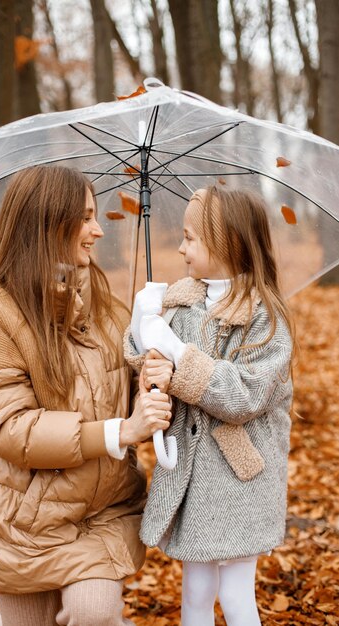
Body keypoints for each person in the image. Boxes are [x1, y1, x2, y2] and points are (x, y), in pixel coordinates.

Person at [0, 165, 172, 626]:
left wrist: (148, 375)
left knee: (94, 614)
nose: (98, 229)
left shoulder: (102, 301)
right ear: (48, 221)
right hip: (20, 522)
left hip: (98, 513)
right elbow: (12, 429)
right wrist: (121, 430)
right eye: (85, 217)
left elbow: (119, 389)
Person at [124, 185, 295, 626]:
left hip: (240, 481)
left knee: (236, 595)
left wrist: (179, 356)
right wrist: (141, 327)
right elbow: (146, 359)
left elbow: (244, 396)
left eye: (190, 237)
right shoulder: (183, 300)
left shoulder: (265, 318)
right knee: (196, 591)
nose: (180, 247)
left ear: (227, 242)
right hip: (194, 478)